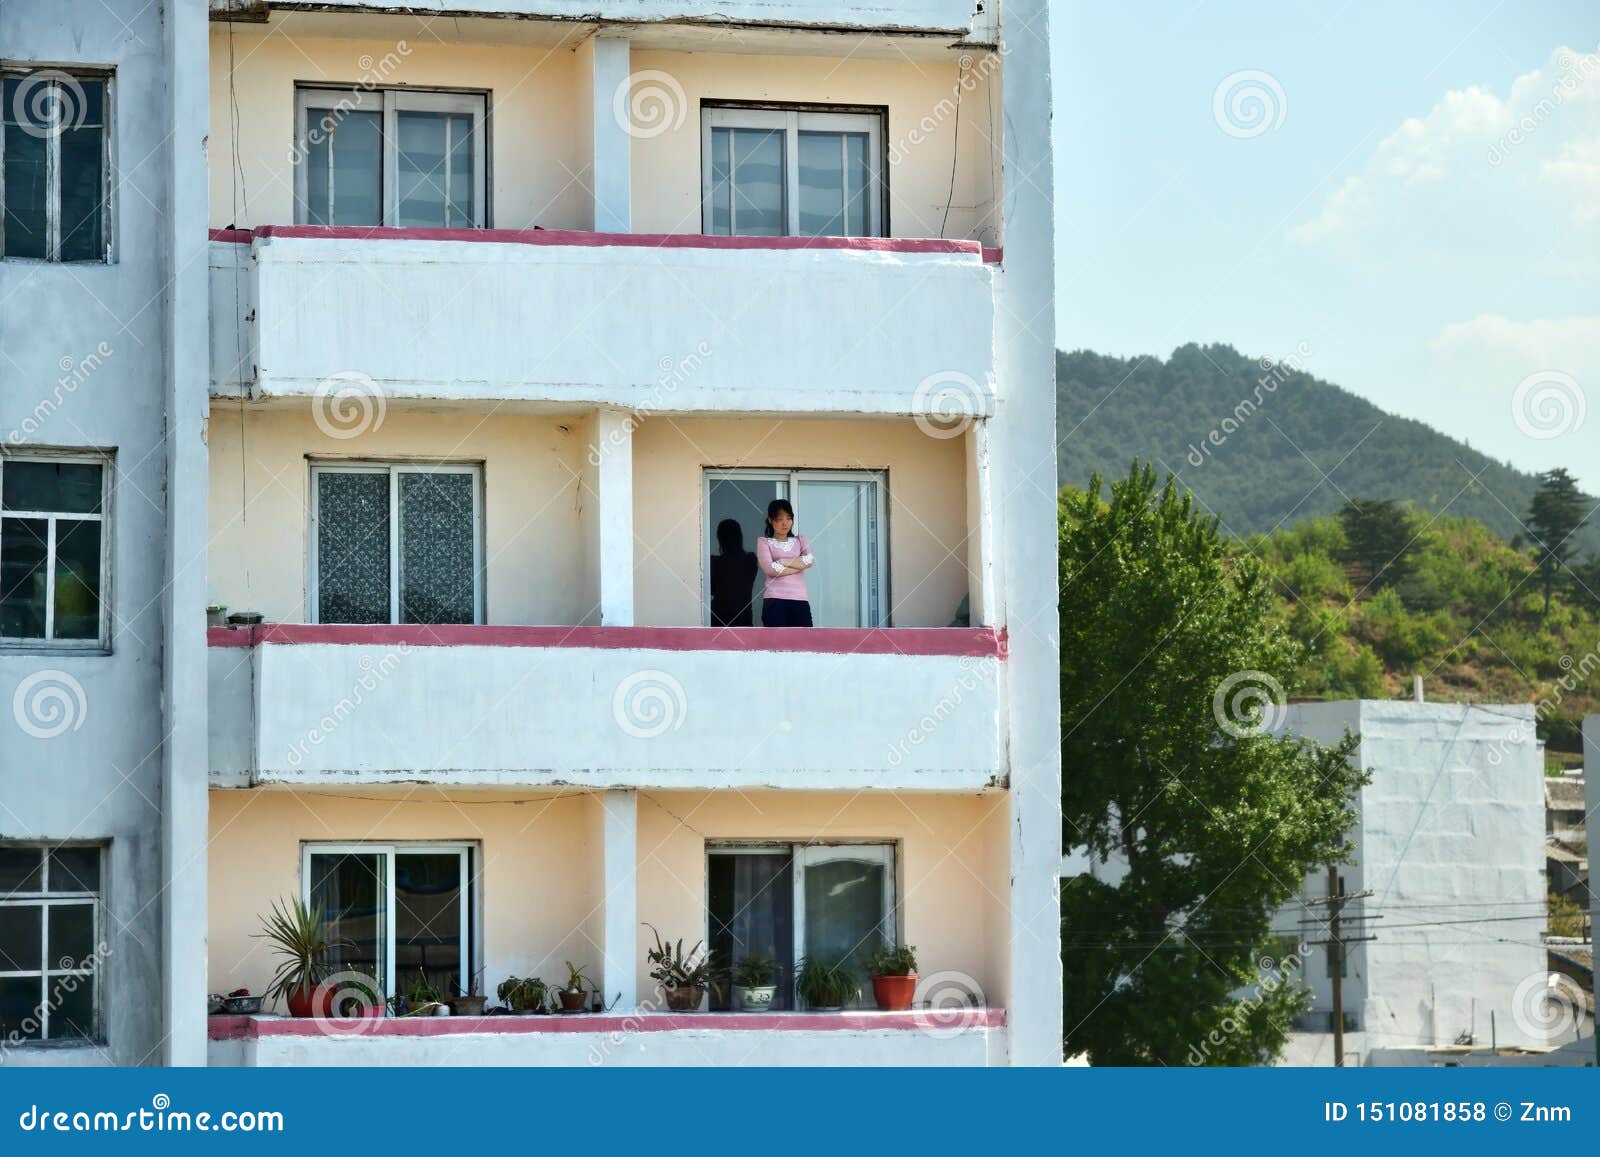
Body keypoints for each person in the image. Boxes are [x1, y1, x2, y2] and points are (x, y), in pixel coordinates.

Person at [754, 499, 814, 627]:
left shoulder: (800, 540)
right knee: (777, 644)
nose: (785, 523)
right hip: (775, 601)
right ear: (770, 520)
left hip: (800, 600)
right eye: (780, 519)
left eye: (788, 518)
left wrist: (783, 561)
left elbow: (810, 560)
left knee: (804, 643)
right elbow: (771, 570)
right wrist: (799, 565)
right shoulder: (764, 542)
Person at [709, 518, 758, 627]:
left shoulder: (714, 562)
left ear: (720, 539)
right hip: (743, 618)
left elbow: (711, 590)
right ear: (739, 536)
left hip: (718, 617)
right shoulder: (750, 559)